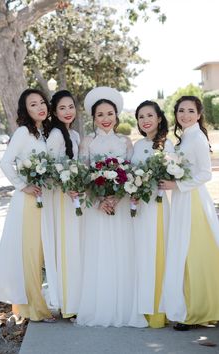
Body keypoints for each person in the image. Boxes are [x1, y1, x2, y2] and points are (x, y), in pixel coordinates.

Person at [77, 86, 148, 327]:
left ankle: (125, 305)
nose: (105, 119)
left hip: (120, 206)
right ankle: (100, 305)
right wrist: (98, 201)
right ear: (93, 118)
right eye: (100, 115)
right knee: (100, 253)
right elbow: (82, 174)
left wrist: (116, 198)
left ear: (117, 116)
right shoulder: (88, 141)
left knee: (122, 252)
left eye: (110, 114)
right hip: (97, 209)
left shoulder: (125, 141)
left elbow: (128, 174)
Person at [0, 88, 56, 322]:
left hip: (44, 200)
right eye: (33, 104)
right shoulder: (23, 133)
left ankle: (30, 303)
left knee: (39, 254)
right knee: (30, 254)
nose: (40, 107)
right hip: (28, 201)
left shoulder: (43, 134)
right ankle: (35, 309)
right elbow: (7, 162)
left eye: (41, 103)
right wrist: (22, 185)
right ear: (25, 110)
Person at [159, 96, 219, 330]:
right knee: (185, 252)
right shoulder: (186, 137)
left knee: (193, 252)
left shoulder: (197, 139)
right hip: (185, 199)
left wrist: (177, 185)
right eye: (181, 111)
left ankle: (197, 311)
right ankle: (192, 306)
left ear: (199, 113)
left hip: (193, 199)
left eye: (190, 111)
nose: (185, 115)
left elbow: (206, 174)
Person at [129, 100, 174, 328]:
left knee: (158, 253)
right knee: (142, 254)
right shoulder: (137, 147)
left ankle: (159, 310)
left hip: (156, 206)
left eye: (149, 115)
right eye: (140, 117)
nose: (145, 120)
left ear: (158, 118)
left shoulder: (168, 146)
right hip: (139, 208)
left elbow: (175, 176)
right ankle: (143, 306)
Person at [46, 90, 81, 318]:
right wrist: (65, 186)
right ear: (55, 112)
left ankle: (76, 299)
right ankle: (69, 305)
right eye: (62, 108)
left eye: (70, 107)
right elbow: (49, 166)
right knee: (66, 247)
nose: (67, 112)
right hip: (61, 198)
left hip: (74, 197)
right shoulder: (56, 135)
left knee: (75, 248)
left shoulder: (75, 136)